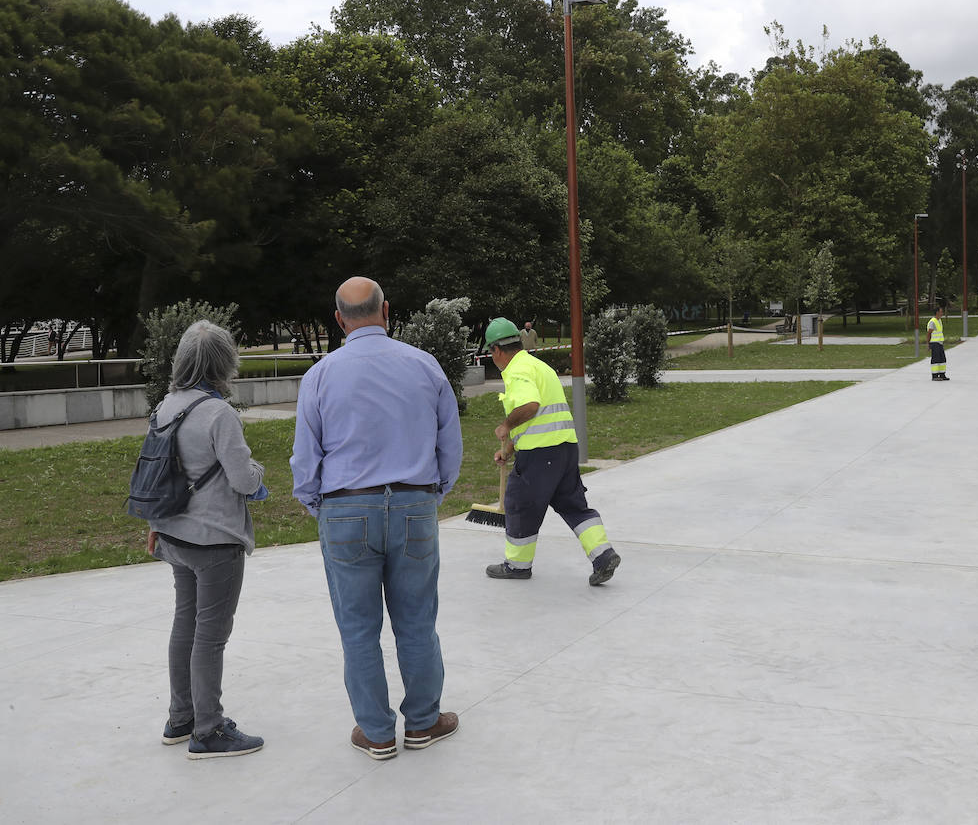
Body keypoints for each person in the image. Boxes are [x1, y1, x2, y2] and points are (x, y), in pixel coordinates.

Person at [290, 277, 462, 760]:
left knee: (358, 628)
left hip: (346, 507)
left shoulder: (321, 375)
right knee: (416, 622)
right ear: (387, 310)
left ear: (339, 318)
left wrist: (318, 506)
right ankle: (425, 723)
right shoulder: (424, 366)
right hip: (413, 504)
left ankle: (376, 731)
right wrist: (433, 493)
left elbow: (307, 457)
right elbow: (449, 442)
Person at [145, 320, 267, 759]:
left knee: (186, 624)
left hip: (174, 533)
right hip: (215, 542)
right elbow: (243, 480)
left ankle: (181, 718)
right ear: (224, 363)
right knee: (210, 635)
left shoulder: (165, 407)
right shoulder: (219, 414)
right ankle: (209, 729)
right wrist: (259, 475)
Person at [482, 317, 621, 586]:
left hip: (540, 454)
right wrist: (509, 449)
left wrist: (506, 424)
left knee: (519, 503)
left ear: (497, 350)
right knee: (574, 506)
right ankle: (603, 555)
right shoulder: (537, 366)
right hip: (565, 448)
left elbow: (531, 406)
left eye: (491, 352)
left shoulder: (517, 370)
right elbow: (540, 417)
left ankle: (517, 566)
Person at [927, 303, 950, 381]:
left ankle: (942, 375)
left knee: (942, 359)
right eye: (941, 312)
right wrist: (928, 344)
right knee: (936, 359)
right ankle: (935, 376)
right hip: (934, 343)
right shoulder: (932, 322)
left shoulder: (939, 320)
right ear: (937, 312)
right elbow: (929, 333)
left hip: (940, 343)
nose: (942, 313)